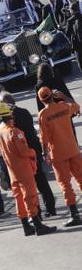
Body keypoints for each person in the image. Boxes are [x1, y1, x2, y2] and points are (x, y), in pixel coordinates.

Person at [0, 102, 57, 236]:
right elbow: (24, 151)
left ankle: (26, 226)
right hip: (23, 169)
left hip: (12, 171)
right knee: (30, 197)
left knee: (19, 199)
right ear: (10, 115)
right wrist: (33, 152)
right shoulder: (15, 132)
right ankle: (37, 225)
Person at [37, 87, 82, 226]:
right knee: (81, 178)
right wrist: (63, 96)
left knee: (65, 185)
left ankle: (74, 214)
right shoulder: (63, 106)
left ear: (41, 99)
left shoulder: (43, 115)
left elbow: (43, 138)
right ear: (52, 96)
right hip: (72, 149)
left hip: (58, 154)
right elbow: (76, 106)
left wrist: (44, 153)